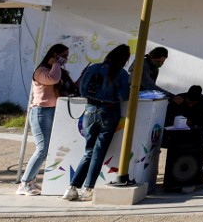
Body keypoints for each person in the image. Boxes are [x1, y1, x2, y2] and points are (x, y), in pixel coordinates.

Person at [63, 44, 132, 202]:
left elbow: (82, 89)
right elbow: (124, 96)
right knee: (98, 153)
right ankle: (88, 189)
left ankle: (72, 188)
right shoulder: (121, 73)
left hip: (89, 110)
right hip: (108, 112)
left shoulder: (93, 68)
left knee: (88, 151)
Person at [16, 43, 69, 196]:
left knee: (45, 149)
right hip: (40, 112)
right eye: (63, 56)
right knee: (42, 149)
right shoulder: (41, 71)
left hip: (51, 111)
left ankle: (30, 181)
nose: (65, 59)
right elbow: (53, 79)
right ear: (54, 55)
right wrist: (56, 64)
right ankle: (24, 183)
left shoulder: (54, 69)